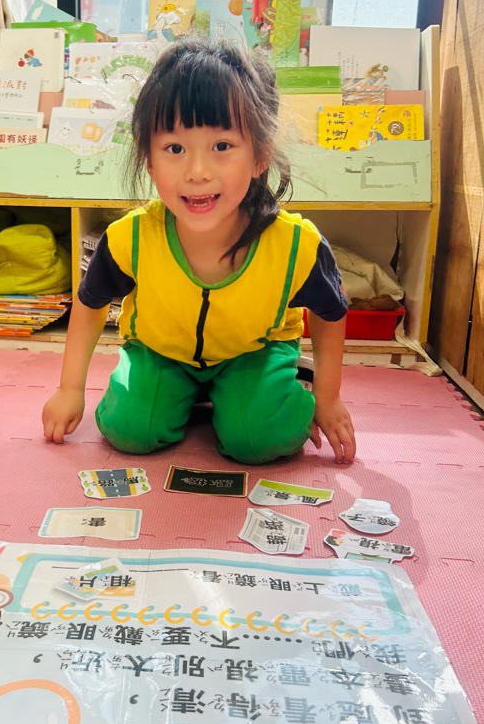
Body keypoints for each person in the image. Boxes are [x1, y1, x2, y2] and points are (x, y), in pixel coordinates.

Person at [42, 36, 356, 465]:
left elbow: (331, 311)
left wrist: (328, 396)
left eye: (222, 147)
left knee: (262, 439)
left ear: (261, 155)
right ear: (149, 160)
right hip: (161, 354)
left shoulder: (295, 245)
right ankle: (184, 394)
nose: (197, 172)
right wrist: (70, 388)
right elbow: (91, 302)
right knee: (129, 429)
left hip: (254, 353)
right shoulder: (130, 238)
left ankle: (277, 382)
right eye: (175, 149)